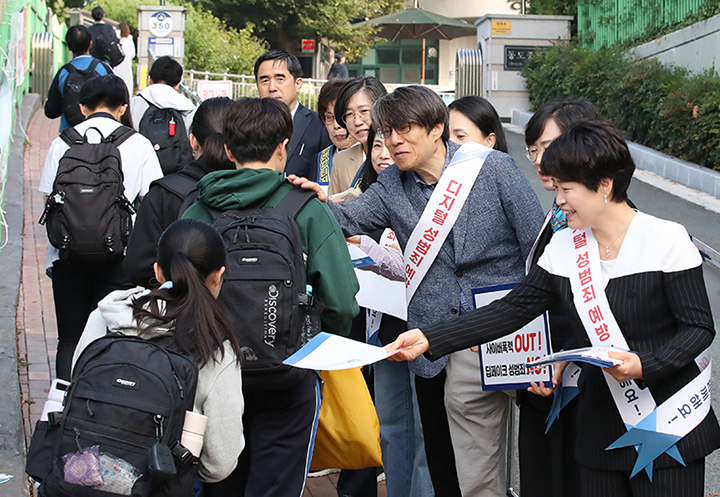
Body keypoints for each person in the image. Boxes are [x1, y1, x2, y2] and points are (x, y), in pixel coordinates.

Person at [387, 120, 720, 497]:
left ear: (605, 185)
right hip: (600, 430)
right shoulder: (564, 249)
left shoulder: (666, 239)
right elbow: (511, 310)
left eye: (567, 189)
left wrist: (645, 365)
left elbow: (698, 328)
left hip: (669, 421)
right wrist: (430, 337)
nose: (558, 199)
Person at [292, 85, 544, 497]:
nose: (394, 141)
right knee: (442, 454)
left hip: (500, 330)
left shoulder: (491, 169)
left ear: (437, 129)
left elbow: (535, 242)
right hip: (431, 338)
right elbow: (349, 221)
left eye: (405, 130)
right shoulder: (392, 184)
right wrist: (312, 202)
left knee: (497, 451)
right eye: (388, 131)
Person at [183, 97, 359, 497]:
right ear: (283, 147)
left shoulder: (197, 209)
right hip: (289, 373)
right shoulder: (307, 210)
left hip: (212, 375)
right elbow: (343, 302)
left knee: (218, 483)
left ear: (227, 150)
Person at [72, 219, 246, 483]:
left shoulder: (107, 317)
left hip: (85, 475)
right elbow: (219, 465)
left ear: (158, 271)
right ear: (218, 276)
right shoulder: (215, 349)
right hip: (159, 483)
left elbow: (75, 384)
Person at [39, 74, 163, 380]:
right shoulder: (139, 144)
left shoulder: (61, 143)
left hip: (67, 256)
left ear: (82, 108)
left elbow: (48, 199)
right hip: (120, 256)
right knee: (112, 339)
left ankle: (62, 410)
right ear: (123, 107)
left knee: (69, 340)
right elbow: (151, 201)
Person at [350, 125, 434, 497]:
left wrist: (374, 254)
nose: (384, 153)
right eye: (376, 146)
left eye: (392, 143)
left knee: (423, 432)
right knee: (390, 427)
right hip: (386, 328)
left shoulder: (439, 195)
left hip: (431, 332)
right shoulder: (369, 196)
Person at [123, 97, 235, 288]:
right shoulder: (263, 192)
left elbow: (138, 268)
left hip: (178, 311)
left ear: (192, 140)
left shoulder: (163, 194)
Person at [254, 50, 331, 179]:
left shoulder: (319, 126)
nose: (272, 87)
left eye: (280, 79)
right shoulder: (247, 126)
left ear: (298, 84)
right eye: (265, 81)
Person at [130, 56, 196, 174]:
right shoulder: (188, 107)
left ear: (149, 80)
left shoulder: (134, 104)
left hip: (142, 174)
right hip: (180, 178)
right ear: (177, 84)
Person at [44, 24, 112, 132]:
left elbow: (51, 111)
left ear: (69, 47)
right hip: (100, 134)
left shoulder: (63, 73)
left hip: (70, 136)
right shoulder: (104, 69)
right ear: (90, 44)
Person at [328, 76, 387, 196]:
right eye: (349, 114)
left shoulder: (399, 155)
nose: (357, 121)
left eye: (364, 111)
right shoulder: (341, 159)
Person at [314, 78, 357, 193]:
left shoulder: (374, 158)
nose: (337, 125)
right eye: (329, 117)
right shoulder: (319, 160)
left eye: (342, 116)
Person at [115, 22, 136, 96]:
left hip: (117, 67)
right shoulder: (130, 41)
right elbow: (133, 55)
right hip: (127, 67)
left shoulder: (117, 42)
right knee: (128, 88)